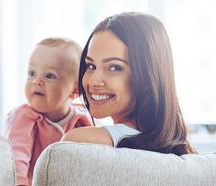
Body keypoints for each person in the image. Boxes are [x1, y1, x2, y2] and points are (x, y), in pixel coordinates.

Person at [62, 12, 196, 155]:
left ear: (147, 77)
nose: (93, 80)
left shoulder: (79, 141)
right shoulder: (181, 154)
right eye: (91, 66)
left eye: (114, 67)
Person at [5, 37, 93, 186]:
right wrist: (20, 185)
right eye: (32, 73)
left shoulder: (81, 121)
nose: (37, 81)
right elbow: (16, 152)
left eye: (50, 76)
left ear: (74, 91)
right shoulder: (24, 116)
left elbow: (94, 157)